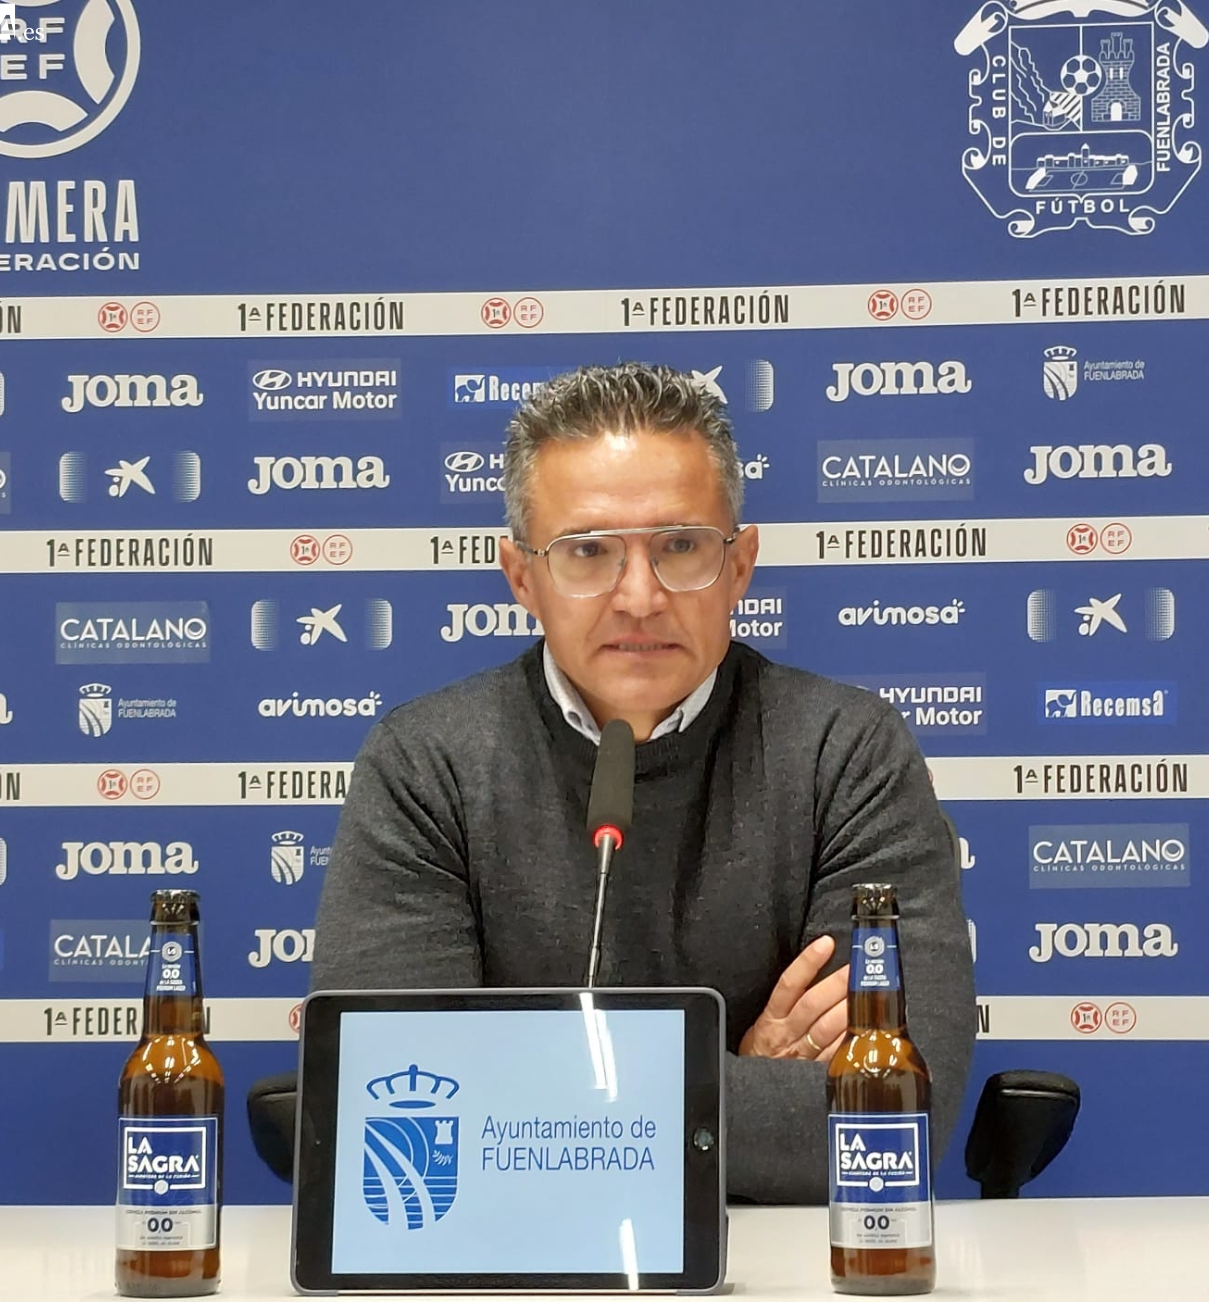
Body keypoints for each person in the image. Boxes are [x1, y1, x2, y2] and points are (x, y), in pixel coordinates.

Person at [310, 362, 975, 1202]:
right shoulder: (427, 764)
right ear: (522, 579)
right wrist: (727, 1074)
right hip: (503, 1284)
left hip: (781, 1298)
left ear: (740, 567)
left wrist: (544, 1103)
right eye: (587, 553)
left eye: (681, 548)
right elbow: (394, 1107)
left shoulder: (845, 752)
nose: (639, 597)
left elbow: (891, 1118)